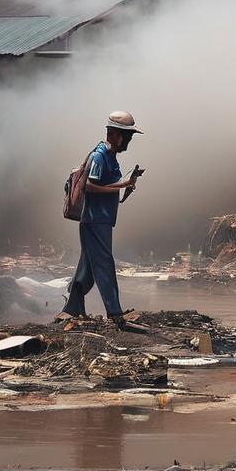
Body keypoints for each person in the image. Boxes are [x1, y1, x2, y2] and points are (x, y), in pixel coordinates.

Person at [59, 111, 145, 330]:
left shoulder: (110, 156)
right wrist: (123, 185)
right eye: (128, 136)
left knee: (87, 267)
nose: (129, 141)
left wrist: (127, 184)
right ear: (116, 135)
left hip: (101, 220)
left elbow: (106, 187)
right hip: (95, 221)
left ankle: (71, 308)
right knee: (104, 265)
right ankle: (115, 315)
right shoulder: (100, 156)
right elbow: (89, 186)